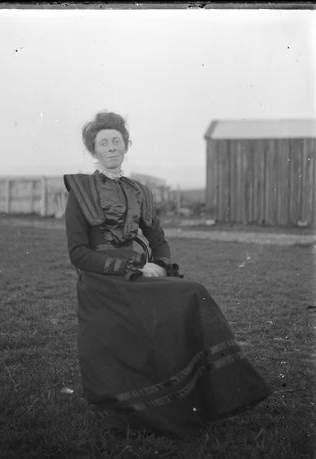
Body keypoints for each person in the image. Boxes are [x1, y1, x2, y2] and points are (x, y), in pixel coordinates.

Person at [64, 111, 270, 438]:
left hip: (142, 272)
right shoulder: (81, 191)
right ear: (94, 151)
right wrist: (130, 267)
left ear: (126, 145)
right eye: (104, 143)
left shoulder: (139, 191)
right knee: (188, 294)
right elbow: (78, 253)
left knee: (192, 293)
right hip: (103, 279)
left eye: (117, 140)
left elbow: (157, 237)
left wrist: (160, 264)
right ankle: (149, 401)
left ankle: (207, 393)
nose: (112, 147)